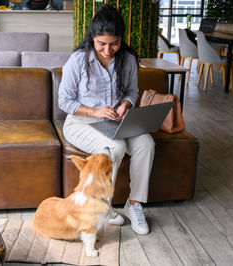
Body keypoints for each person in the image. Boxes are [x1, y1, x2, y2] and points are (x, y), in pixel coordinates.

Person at [58, 4, 155, 235]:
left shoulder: (129, 59)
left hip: (114, 122)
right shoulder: (78, 60)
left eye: (114, 43)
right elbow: (64, 101)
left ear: (121, 39)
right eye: (101, 44)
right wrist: (95, 112)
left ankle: (134, 204)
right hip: (81, 123)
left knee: (146, 144)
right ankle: (105, 206)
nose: (108, 49)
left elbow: (132, 91)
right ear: (92, 38)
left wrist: (125, 104)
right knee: (116, 146)